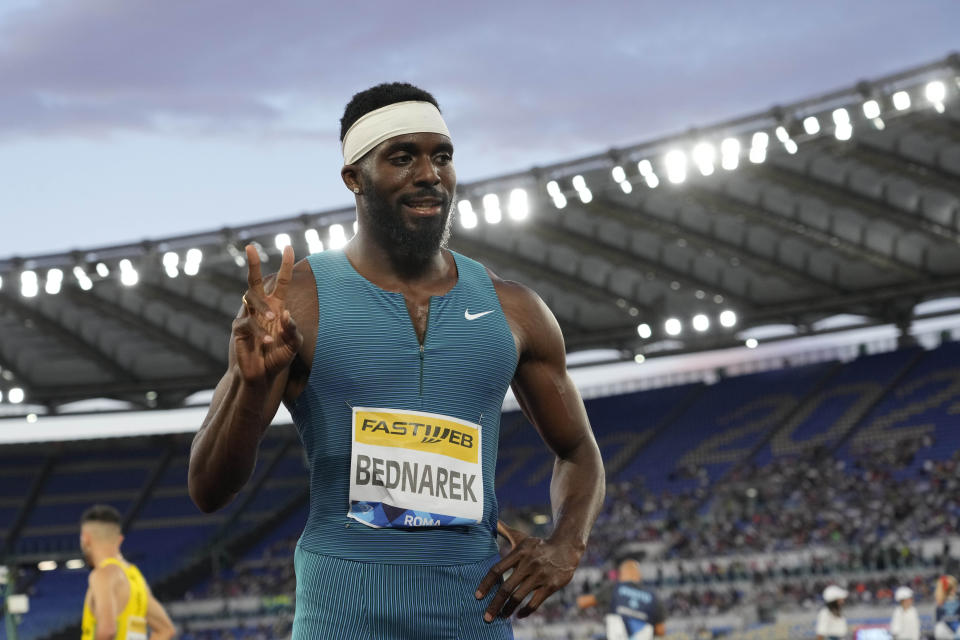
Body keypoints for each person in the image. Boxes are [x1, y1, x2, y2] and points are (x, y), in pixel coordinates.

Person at [188, 82, 606, 639]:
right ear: (354, 178)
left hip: (472, 616)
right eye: (402, 157)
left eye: (442, 156)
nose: (429, 173)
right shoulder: (297, 304)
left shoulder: (515, 310)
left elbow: (579, 451)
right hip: (342, 617)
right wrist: (249, 385)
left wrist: (566, 545)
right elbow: (208, 488)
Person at [79, 505, 176, 640]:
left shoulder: (102, 575)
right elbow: (166, 630)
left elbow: (107, 630)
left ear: (85, 539)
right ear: (119, 540)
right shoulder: (135, 579)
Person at [577, 559, 666, 640]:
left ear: (621, 575)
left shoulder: (614, 588)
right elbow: (661, 630)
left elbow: (582, 602)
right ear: (639, 575)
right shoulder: (653, 596)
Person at [935, 575, 959, 640]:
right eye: (955, 587)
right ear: (952, 589)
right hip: (949, 634)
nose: (956, 589)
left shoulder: (940, 605)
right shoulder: (941, 605)